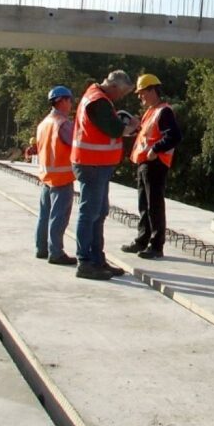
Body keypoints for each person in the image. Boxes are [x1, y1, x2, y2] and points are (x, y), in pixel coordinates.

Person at [71, 70, 138, 280]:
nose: (122, 98)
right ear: (115, 87)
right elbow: (113, 129)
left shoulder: (98, 98)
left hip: (96, 164)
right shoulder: (98, 101)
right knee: (90, 213)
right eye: (123, 93)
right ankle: (86, 261)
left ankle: (96, 259)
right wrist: (130, 127)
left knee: (98, 213)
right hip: (93, 164)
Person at [120, 74, 182, 260]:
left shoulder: (164, 112)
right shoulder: (152, 111)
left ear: (152, 90)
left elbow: (174, 136)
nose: (140, 97)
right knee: (144, 205)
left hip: (155, 164)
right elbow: (145, 134)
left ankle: (156, 245)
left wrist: (155, 149)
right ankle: (142, 240)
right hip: (145, 163)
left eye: (142, 93)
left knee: (154, 205)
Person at [35, 86, 77, 266]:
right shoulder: (63, 123)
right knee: (58, 217)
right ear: (62, 101)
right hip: (62, 178)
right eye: (69, 100)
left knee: (44, 216)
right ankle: (56, 253)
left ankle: (41, 248)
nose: (71, 104)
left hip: (46, 177)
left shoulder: (44, 123)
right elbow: (76, 143)